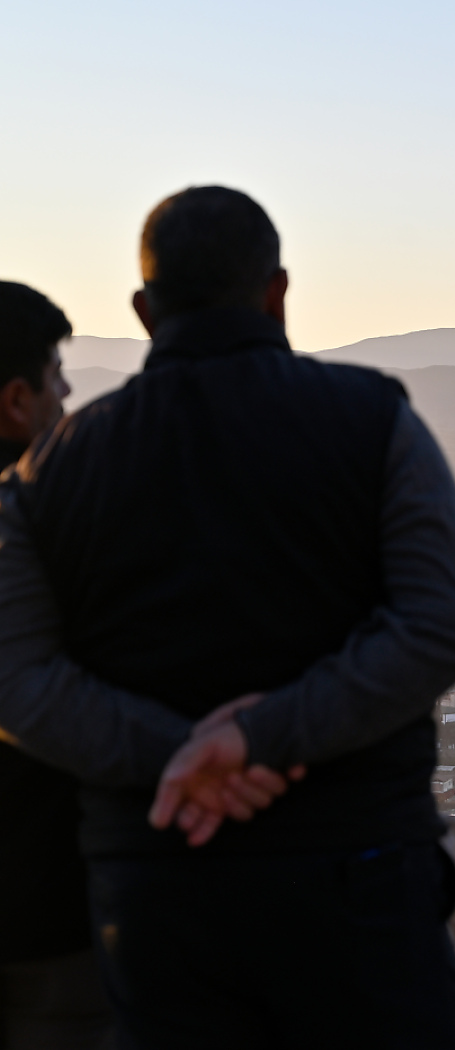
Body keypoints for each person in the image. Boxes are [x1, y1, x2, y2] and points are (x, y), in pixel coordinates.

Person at [0, 187, 455, 1048]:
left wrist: (183, 759)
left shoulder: (50, 473)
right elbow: (439, 625)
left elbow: (19, 682)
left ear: (145, 312)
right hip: (361, 870)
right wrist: (261, 737)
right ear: (278, 293)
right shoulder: (375, 422)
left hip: (156, 885)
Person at [0, 283, 111, 1049]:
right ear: (16, 400)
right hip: (44, 909)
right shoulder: (57, 526)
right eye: (57, 374)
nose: (67, 394)